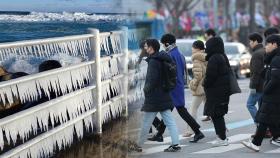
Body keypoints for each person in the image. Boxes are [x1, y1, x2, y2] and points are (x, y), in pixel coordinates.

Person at [149, 34, 204, 143]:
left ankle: (197, 132)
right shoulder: (178, 53)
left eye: (163, 44)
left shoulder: (170, 55)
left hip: (172, 87)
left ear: (167, 43)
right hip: (177, 86)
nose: (163, 46)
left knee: (178, 111)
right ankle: (160, 134)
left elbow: (169, 72)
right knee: (172, 111)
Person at [135, 39, 181, 152]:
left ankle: (138, 145)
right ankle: (176, 144)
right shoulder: (163, 58)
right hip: (164, 94)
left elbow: (152, 80)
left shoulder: (154, 61)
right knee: (170, 121)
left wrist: (146, 90)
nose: (145, 48)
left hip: (154, 97)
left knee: (146, 122)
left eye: (146, 46)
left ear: (151, 47)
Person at [242, 34, 280, 152]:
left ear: (274, 44)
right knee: (270, 118)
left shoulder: (276, 59)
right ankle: (277, 137)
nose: (266, 46)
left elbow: (275, 79)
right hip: (274, 94)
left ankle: (255, 143)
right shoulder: (273, 58)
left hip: (273, 94)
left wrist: (265, 90)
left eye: (268, 44)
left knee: (264, 118)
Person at [203, 37, 231, 147]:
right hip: (222, 91)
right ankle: (222, 137)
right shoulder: (222, 56)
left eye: (208, 45)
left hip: (216, 92)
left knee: (216, 115)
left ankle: (222, 138)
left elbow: (211, 76)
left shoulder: (214, 58)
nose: (206, 48)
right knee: (218, 114)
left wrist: (205, 83)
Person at [183, 40, 207, 137]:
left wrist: (192, 84)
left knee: (193, 108)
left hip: (200, 88)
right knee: (211, 109)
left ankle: (190, 130)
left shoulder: (197, 59)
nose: (191, 49)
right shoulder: (206, 57)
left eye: (192, 47)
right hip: (207, 86)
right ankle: (223, 129)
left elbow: (198, 76)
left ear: (197, 48)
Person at [246, 33, 265, 123]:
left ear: (255, 41)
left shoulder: (257, 54)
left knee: (250, 104)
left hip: (258, 85)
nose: (250, 43)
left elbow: (256, 72)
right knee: (261, 107)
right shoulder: (264, 50)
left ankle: (260, 125)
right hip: (265, 84)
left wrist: (252, 86)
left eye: (251, 41)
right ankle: (264, 129)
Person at [202, 28, 217, 122]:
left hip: (211, 73)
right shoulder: (210, 43)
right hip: (208, 72)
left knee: (211, 97)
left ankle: (212, 114)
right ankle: (209, 114)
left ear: (210, 35)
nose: (206, 37)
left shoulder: (214, 43)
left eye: (206, 35)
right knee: (206, 97)